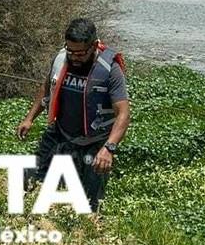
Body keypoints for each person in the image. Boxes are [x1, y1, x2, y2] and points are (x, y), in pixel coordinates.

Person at [16, 19, 130, 212]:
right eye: (70, 51)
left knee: (88, 205)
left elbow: (123, 114)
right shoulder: (61, 59)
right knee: (32, 182)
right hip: (59, 134)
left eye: (80, 53)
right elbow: (47, 88)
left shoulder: (110, 70)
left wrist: (109, 148)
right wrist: (29, 118)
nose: (74, 57)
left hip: (94, 143)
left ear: (94, 46)